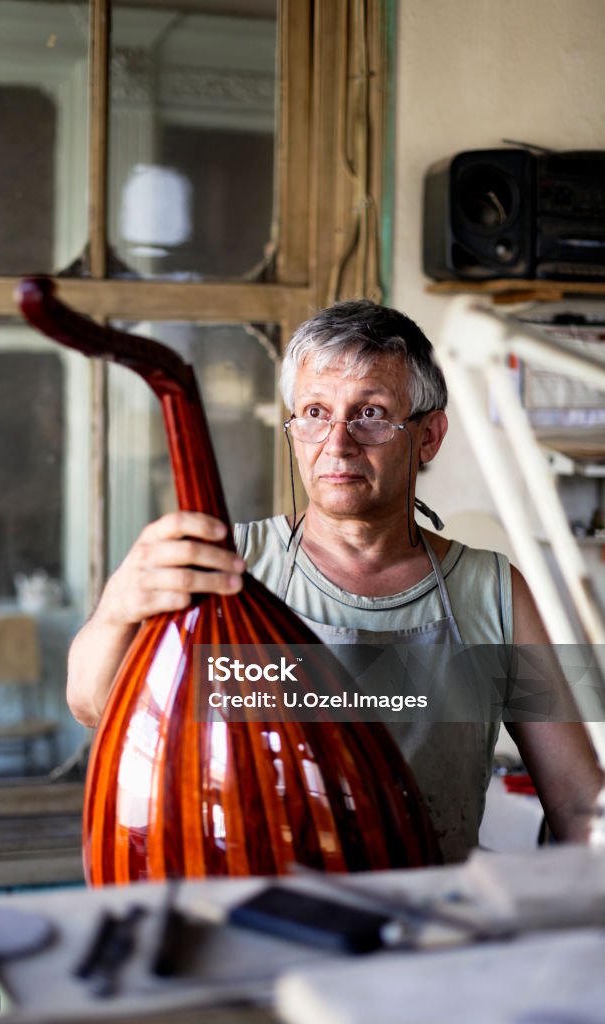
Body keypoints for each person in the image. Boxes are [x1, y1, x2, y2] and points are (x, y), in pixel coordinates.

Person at [67, 300, 602, 863]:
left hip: (430, 922)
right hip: (262, 915)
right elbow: (90, 703)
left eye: (370, 413)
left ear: (428, 437)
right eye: (316, 412)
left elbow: (575, 799)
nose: (338, 442)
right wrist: (118, 607)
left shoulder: (497, 591)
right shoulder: (225, 565)